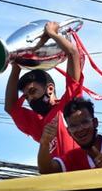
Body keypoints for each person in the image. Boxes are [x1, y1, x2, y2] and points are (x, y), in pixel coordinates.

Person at [4, 21, 82, 158]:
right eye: (27, 97)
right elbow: (11, 108)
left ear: (50, 89)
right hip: (57, 177)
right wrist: (16, 64)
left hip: (85, 176)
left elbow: (73, 54)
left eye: (32, 92)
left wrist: (52, 34)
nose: (30, 99)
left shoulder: (70, 103)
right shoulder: (40, 125)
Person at [37, 96, 102, 173]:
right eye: (74, 126)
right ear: (69, 132)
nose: (80, 129)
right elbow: (46, 170)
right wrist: (44, 143)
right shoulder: (72, 158)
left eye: (85, 122)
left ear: (95, 122)